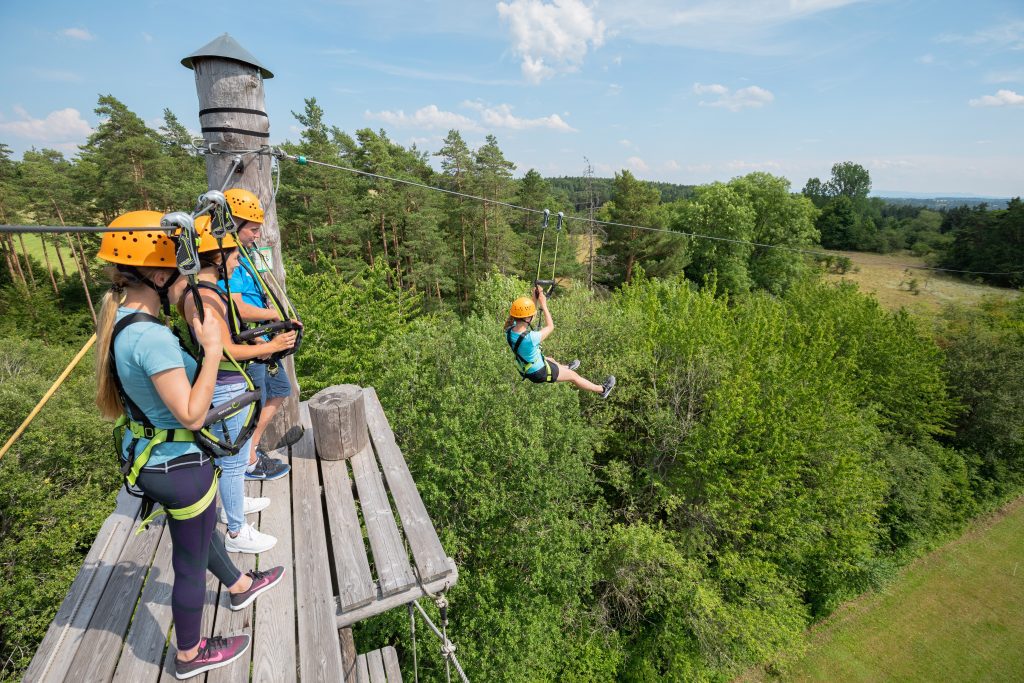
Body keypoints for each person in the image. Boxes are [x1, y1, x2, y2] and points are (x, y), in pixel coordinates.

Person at [94, 211, 285, 679]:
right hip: (179, 465)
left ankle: (240, 582)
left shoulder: (122, 323)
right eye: (179, 270)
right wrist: (214, 348)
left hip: (153, 459)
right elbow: (192, 413)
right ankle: (190, 653)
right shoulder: (152, 339)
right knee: (189, 563)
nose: (186, 279)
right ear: (159, 276)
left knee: (201, 534)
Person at [179, 220, 297, 554]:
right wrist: (270, 347)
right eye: (231, 253)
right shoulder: (206, 297)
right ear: (216, 256)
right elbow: (226, 350)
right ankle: (235, 532)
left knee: (230, 456)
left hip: (225, 381)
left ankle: (235, 503)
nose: (236, 260)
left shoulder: (199, 292)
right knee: (231, 459)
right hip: (226, 383)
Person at [222, 188, 296, 481]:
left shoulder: (244, 255)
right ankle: (248, 461)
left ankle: (250, 450)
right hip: (251, 341)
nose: (256, 235)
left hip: (262, 337)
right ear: (234, 225)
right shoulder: (226, 262)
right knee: (255, 401)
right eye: (252, 229)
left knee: (279, 390)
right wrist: (274, 316)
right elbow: (237, 308)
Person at [505, 286, 615, 398]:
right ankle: (602, 390)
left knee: (550, 359)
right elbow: (550, 326)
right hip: (539, 372)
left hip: (527, 368)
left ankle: (566, 367)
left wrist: (534, 298)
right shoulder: (531, 338)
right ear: (527, 318)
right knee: (574, 377)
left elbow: (528, 315)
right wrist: (543, 304)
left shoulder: (509, 331)